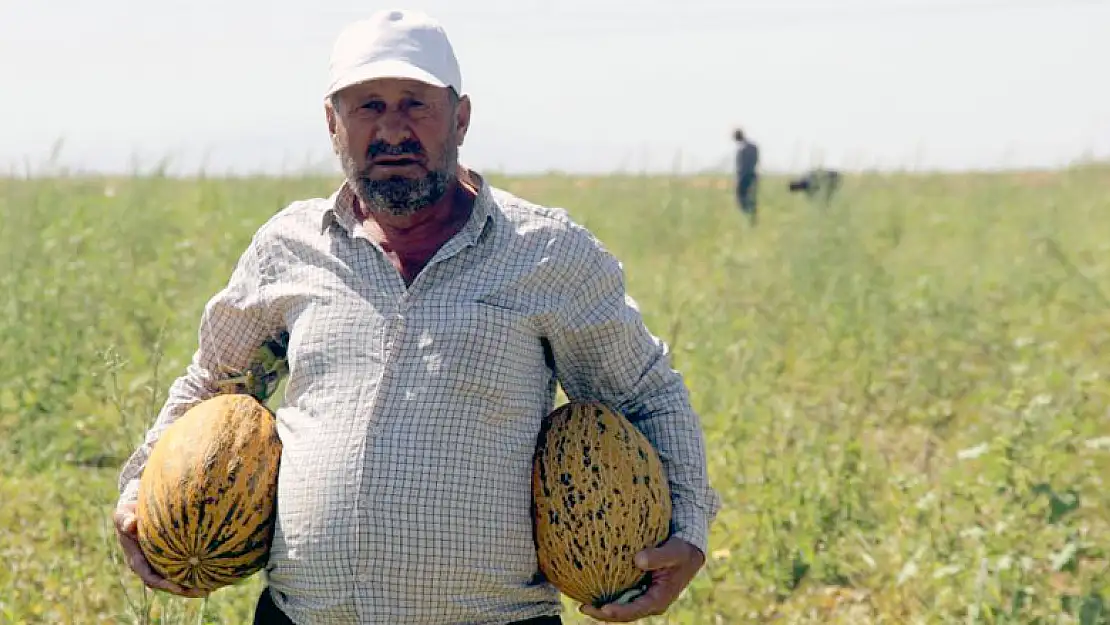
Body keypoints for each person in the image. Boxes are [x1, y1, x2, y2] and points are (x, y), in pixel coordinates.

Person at [113, 8, 720, 625]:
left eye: (416, 104)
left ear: (460, 118)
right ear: (332, 122)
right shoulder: (288, 247)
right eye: (368, 106)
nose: (392, 130)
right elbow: (214, 384)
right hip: (301, 616)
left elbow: (645, 395)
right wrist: (141, 491)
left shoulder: (546, 253)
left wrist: (690, 530)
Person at [732, 129, 760, 224]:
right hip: (753, 175)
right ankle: (752, 218)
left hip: (744, 177)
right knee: (751, 197)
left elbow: (740, 166)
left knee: (741, 198)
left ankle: (749, 217)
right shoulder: (753, 147)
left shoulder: (742, 149)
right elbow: (756, 160)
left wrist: (739, 177)